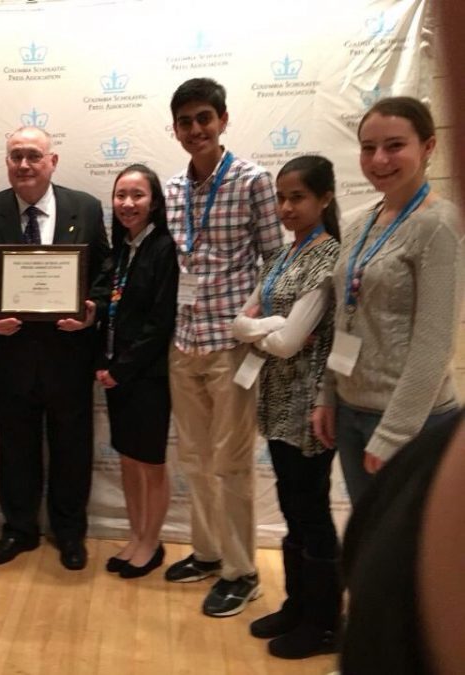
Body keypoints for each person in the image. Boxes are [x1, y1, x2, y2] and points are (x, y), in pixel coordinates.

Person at [162, 77, 283, 617]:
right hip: (183, 342)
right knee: (194, 458)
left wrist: (251, 325)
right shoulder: (171, 189)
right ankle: (208, 553)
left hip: (230, 347)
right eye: (185, 121)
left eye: (204, 118)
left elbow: (275, 263)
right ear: (176, 129)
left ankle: (242, 571)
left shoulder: (254, 180)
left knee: (231, 462)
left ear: (224, 120)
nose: (195, 130)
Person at [0, 126, 111, 571]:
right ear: (6, 161)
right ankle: (19, 529)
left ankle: (69, 533)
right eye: (15, 156)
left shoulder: (84, 207)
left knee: (71, 446)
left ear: (53, 161)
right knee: (15, 446)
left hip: (69, 353)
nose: (24, 165)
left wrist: (93, 310)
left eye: (33, 156)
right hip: (10, 354)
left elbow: (105, 272)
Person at [311, 97, 463, 505]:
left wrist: (395, 432)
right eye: (367, 147)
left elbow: (434, 344)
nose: (379, 159)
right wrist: (329, 395)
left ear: (428, 147)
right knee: (369, 541)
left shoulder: (439, 225)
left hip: (412, 422)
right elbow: (343, 318)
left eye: (395, 145)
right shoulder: (359, 222)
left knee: (408, 556)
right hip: (350, 410)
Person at [233, 155, 341, 658]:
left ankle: (324, 622)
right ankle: (299, 604)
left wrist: (268, 328)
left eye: (297, 197)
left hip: (308, 405)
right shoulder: (283, 255)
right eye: (281, 197)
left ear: (324, 198)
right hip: (276, 399)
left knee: (311, 511)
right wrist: (268, 326)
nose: (286, 207)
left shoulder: (328, 258)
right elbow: (241, 323)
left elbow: (290, 342)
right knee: (293, 507)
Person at [95, 164, 178, 579]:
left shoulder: (164, 248)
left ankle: (152, 542)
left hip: (147, 376)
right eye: (121, 195)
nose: (128, 203)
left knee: (150, 462)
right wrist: (103, 365)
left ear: (155, 201)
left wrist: (121, 369)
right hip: (116, 374)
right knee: (128, 460)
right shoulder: (121, 249)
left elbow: (159, 323)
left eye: (137, 195)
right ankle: (136, 534)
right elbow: (108, 311)